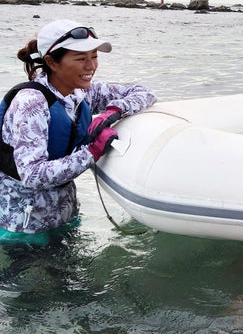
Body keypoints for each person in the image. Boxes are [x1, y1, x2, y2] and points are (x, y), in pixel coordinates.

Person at [0, 19, 156, 241]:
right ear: (52, 63)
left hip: (64, 214)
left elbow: (144, 92)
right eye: (81, 58)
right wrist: (92, 152)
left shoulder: (81, 92)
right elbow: (32, 176)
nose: (91, 66)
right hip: (24, 225)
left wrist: (114, 110)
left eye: (94, 56)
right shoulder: (31, 104)